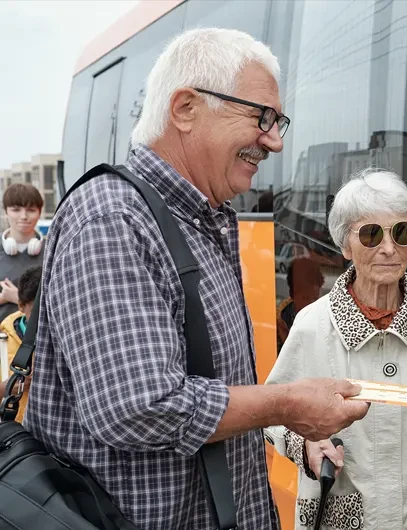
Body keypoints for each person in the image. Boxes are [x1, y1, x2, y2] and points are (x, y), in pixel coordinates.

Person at [24, 27, 368, 530]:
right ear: (185, 108)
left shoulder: (203, 217)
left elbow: (214, 392)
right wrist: (287, 405)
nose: (273, 141)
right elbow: (138, 407)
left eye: (279, 122)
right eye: (262, 117)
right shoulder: (113, 218)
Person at [266, 168, 407, 529]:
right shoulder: (312, 325)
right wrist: (305, 445)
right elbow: (274, 414)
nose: (389, 248)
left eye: (402, 233)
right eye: (371, 234)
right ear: (344, 245)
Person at [0, 264, 42, 420]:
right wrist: (5, 388)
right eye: (38, 312)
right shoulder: (3, 341)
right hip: (13, 437)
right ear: (21, 306)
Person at [0, 184, 45, 323]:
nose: (24, 216)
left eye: (31, 210)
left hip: (36, 340)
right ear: (6, 212)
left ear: (39, 212)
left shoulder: (53, 252)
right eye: (16, 210)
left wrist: (17, 298)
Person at [276, 257, 324, 353]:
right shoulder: (282, 319)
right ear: (293, 294)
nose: (310, 304)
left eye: (314, 298)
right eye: (305, 297)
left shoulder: (325, 314)